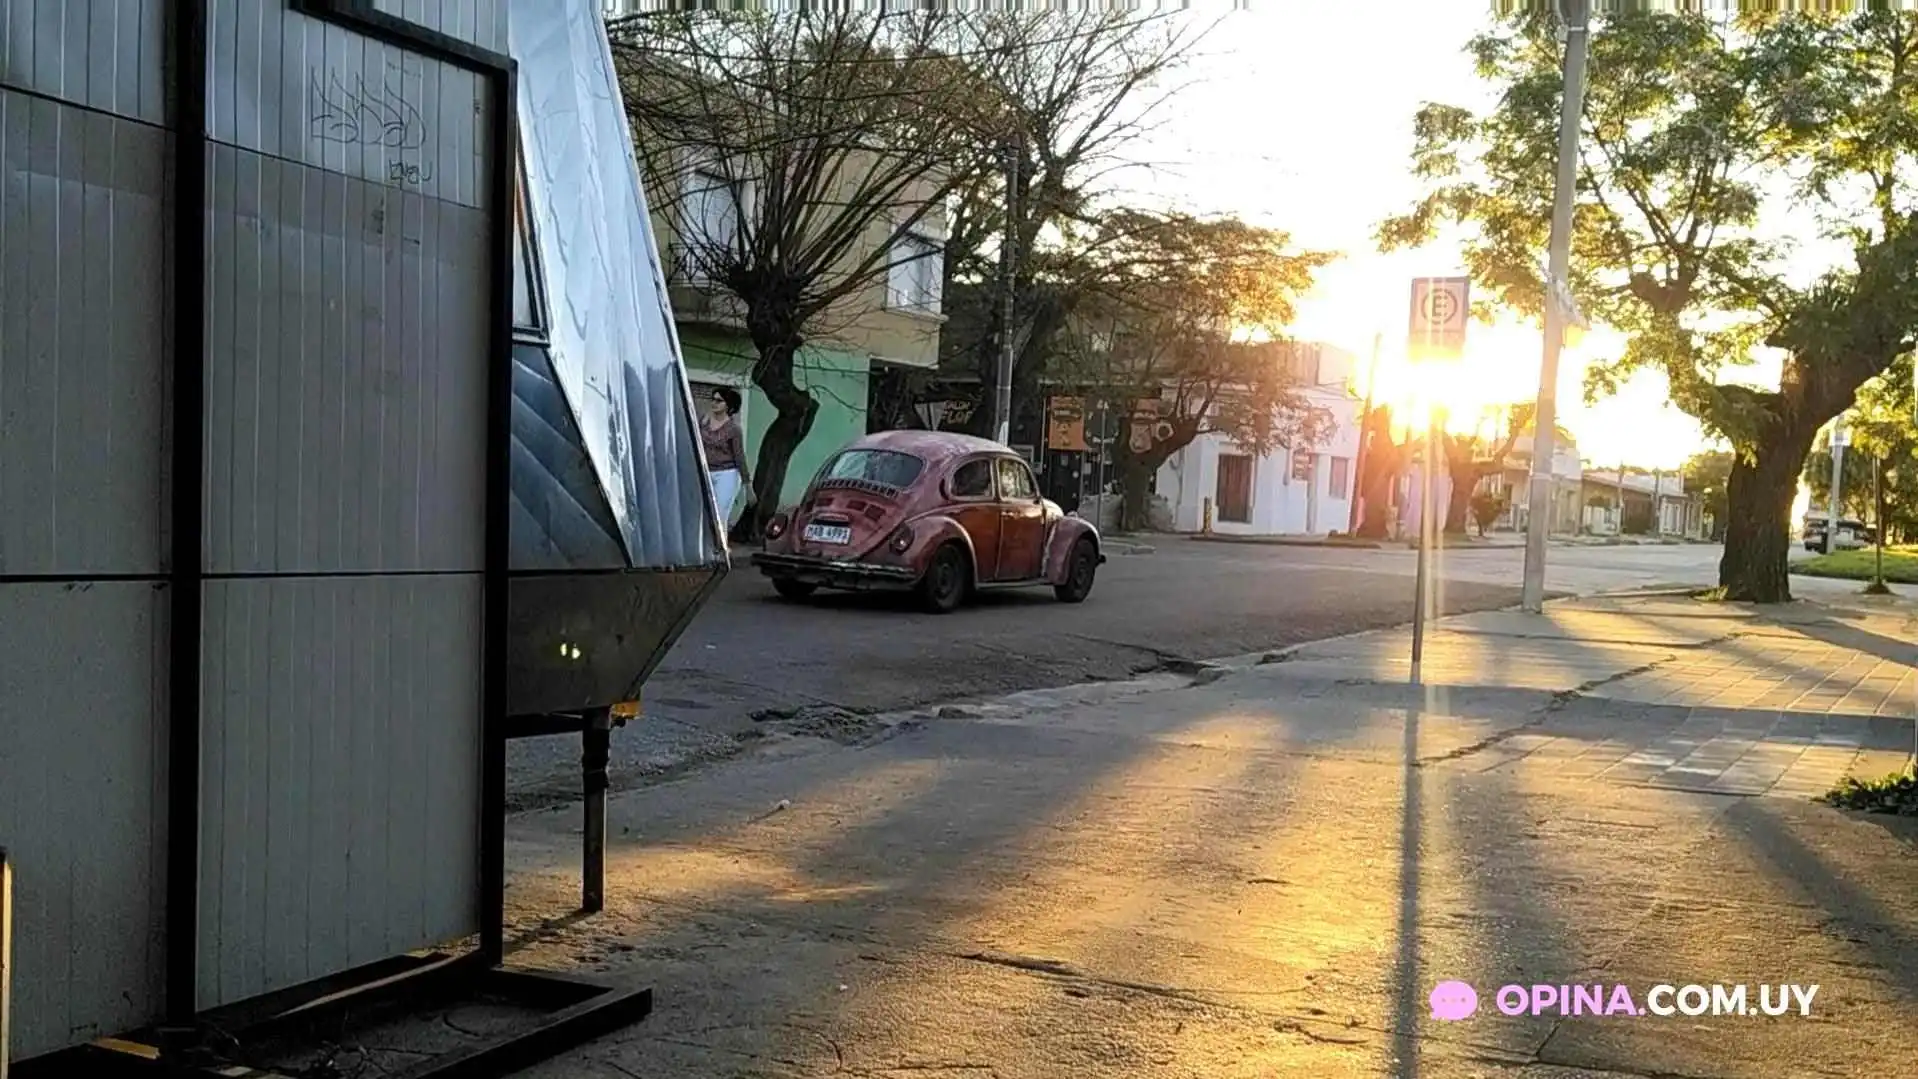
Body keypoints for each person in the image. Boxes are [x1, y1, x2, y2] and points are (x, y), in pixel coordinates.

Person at [701, 387, 754, 524]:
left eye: (719, 401)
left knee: (719, 515)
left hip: (726, 474)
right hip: (705, 472)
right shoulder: (704, 422)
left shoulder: (733, 429)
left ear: (728, 405)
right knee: (703, 514)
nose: (714, 403)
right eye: (713, 399)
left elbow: (739, 456)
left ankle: (720, 538)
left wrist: (747, 485)